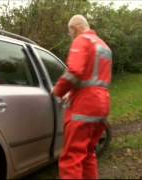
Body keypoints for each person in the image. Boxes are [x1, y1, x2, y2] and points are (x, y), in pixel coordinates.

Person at [52, 14, 112, 179]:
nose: (70, 36)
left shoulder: (81, 40)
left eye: (70, 32)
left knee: (71, 157)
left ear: (74, 28)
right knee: (88, 154)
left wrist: (57, 91)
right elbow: (92, 78)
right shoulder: (103, 46)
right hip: (102, 106)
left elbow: (74, 72)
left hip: (85, 107)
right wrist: (72, 92)